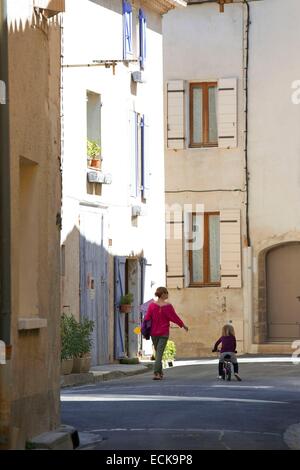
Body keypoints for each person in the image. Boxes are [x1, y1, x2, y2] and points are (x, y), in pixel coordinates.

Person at [144, 287, 188, 380]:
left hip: (154, 333)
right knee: (159, 353)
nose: (168, 295)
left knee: (158, 353)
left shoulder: (152, 306)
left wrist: (144, 329)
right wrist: (183, 325)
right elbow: (174, 317)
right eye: (167, 293)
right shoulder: (168, 306)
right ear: (163, 294)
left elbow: (147, 318)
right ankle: (157, 373)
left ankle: (158, 373)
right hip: (163, 333)